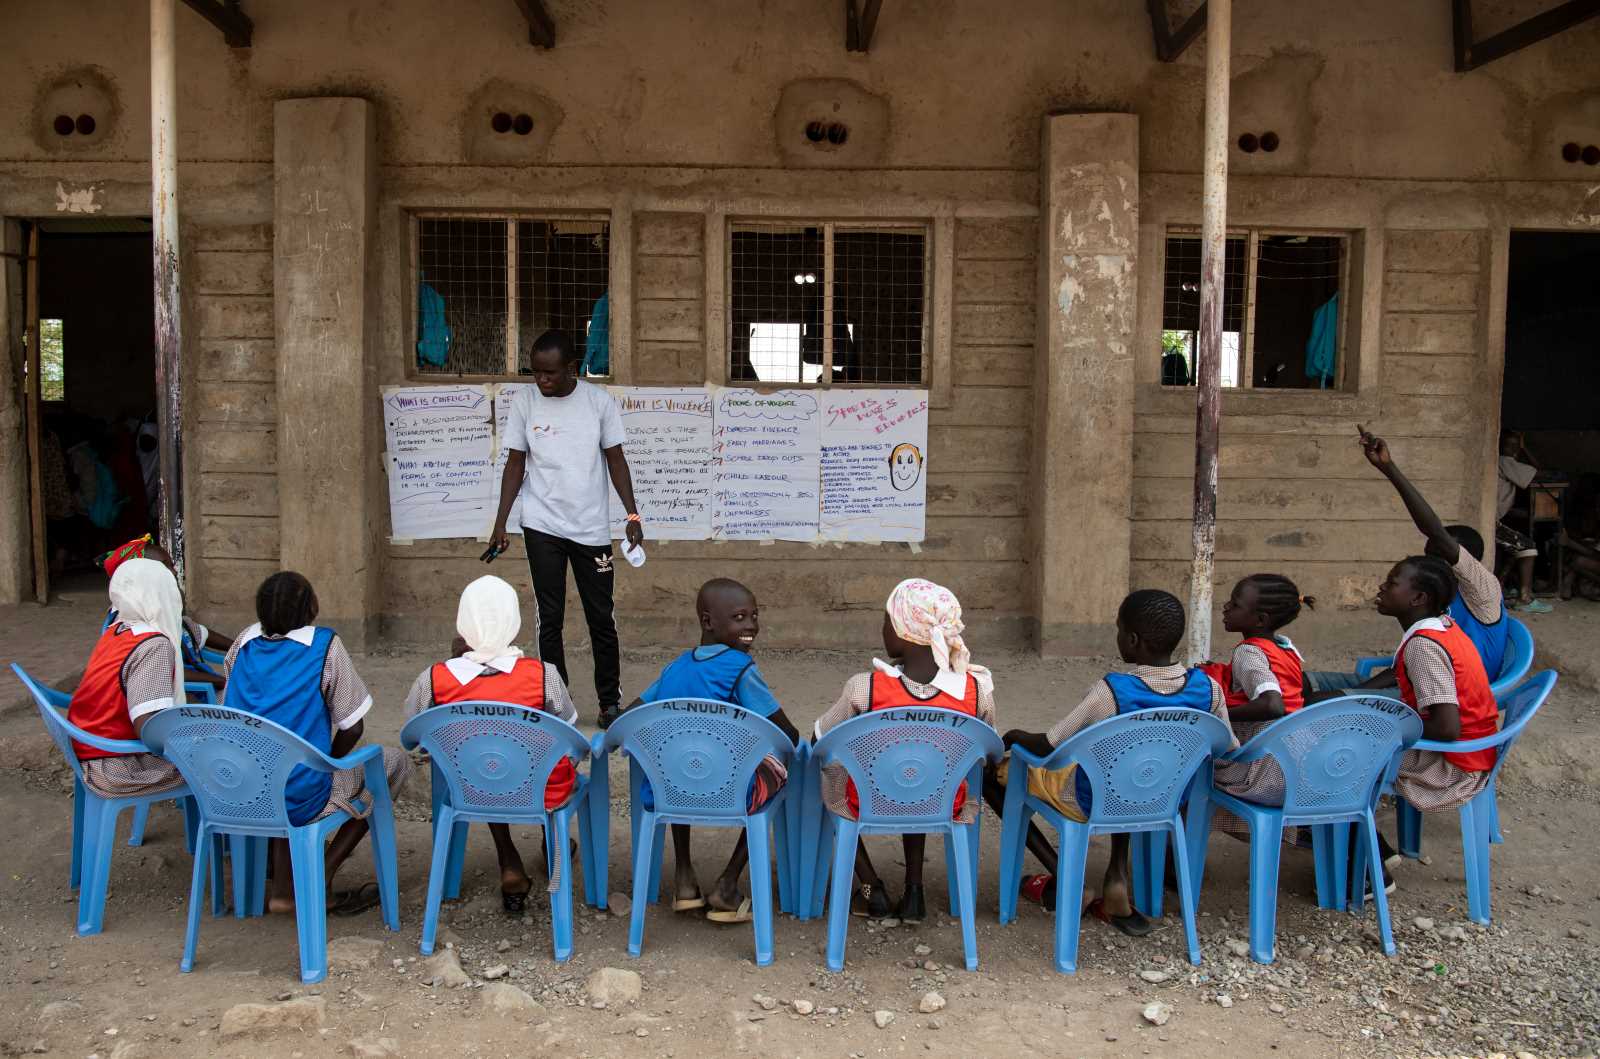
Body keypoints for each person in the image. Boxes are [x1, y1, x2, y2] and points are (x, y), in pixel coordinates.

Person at [983, 589, 1232, 935]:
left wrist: (1012, 736)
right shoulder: (1209, 689)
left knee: (993, 776)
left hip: (1092, 800)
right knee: (1130, 771)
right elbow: (1225, 746)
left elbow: (1050, 744)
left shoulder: (1111, 691)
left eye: (1118, 628)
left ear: (1132, 639)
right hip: (1164, 800)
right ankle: (1116, 877)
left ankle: (1067, 877)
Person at [223, 571, 411, 916]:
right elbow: (353, 727)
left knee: (277, 759)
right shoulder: (324, 645)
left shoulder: (243, 642)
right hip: (299, 792)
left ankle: (281, 884)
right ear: (312, 608)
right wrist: (327, 763)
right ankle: (319, 876)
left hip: (240, 787)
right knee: (392, 763)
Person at [488, 329, 644, 728]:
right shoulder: (525, 403)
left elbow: (616, 460)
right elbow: (515, 464)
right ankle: (556, 702)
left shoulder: (597, 402)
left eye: (550, 373)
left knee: (601, 617)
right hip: (541, 524)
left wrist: (632, 515)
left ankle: (609, 703)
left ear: (572, 368)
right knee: (550, 617)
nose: (542, 380)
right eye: (536, 372)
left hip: (590, 528)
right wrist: (500, 522)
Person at [813, 578, 995, 922]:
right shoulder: (975, 692)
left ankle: (870, 886)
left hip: (870, 799)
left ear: (904, 631)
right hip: (941, 801)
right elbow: (988, 748)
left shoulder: (864, 688)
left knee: (826, 774)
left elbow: (819, 738)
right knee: (923, 772)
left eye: (887, 621)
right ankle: (914, 892)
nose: (883, 629)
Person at [623, 578, 797, 923]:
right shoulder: (740, 668)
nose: (751, 626)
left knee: (679, 763)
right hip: (731, 791)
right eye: (739, 617)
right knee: (783, 768)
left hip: (671, 792)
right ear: (708, 622)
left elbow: (629, 718)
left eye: (754, 616)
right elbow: (785, 732)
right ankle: (728, 884)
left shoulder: (674, 668)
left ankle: (684, 879)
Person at [403, 575, 580, 914]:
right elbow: (568, 730)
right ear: (513, 622)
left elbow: (412, 732)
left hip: (471, 789)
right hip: (540, 789)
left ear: (463, 623)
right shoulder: (544, 675)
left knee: (485, 763)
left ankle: (508, 860)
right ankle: (551, 839)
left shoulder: (434, 678)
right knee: (532, 757)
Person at [1306, 426, 1512, 693]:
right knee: (1301, 684)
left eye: (1437, 556)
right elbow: (1405, 669)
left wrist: (1388, 468)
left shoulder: (1482, 589)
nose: (1428, 565)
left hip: (1446, 696)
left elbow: (1435, 532)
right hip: (1414, 687)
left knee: (1317, 702)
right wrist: (1351, 693)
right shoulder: (1432, 600)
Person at [1366, 555, 1500, 895]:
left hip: (1454, 766)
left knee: (1339, 760)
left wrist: (1384, 728)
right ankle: (1373, 848)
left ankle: (1366, 870)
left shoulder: (1423, 647)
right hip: (1473, 753)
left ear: (1418, 598)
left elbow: (1446, 728)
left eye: (1392, 582)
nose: (1382, 587)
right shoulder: (1443, 626)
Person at [1201, 575, 1312, 839]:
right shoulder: (1285, 647)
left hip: (1268, 771)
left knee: (1190, 771)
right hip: (1302, 763)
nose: (1225, 607)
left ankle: (1176, 856)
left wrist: (1219, 716)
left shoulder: (1248, 652)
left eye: (1235, 604)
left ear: (1260, 619)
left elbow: (1272, 704)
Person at [67, 557, 187, 800]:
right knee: (221, 765)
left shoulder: (117, 630)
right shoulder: (154, 645)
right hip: (115, 766)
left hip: (90, 749)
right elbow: (148, 729)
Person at [99, 534, 233, 694]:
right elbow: (167, 672)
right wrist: (222, 681)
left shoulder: (161, 612)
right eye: (164, 566)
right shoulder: (138, 629)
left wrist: (241, 646)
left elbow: (197, 632)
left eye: (171, 564)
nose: (174, 571)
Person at [1494, 433, 1551, 612]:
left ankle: (1502, 587)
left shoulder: (1503, 462)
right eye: (1509, 445)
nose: (1512, 449)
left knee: (1513, 546)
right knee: (1528, 547)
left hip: (1496, 519)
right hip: (1492, 522)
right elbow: (1539, 473)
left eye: (1515, 445)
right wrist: (1524, 449)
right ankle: (1524, 598)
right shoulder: (1504, 461)